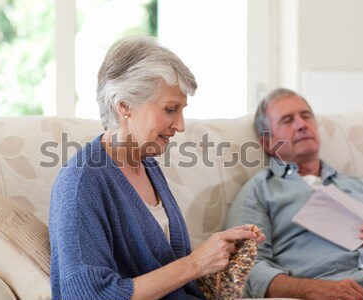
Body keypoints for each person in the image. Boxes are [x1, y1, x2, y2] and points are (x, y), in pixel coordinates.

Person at [49, 36, 265, 300]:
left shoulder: (147, 163)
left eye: (181, 109)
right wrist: (195, 264)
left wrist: (218, 254)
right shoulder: (81, 183)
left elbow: (166, 270)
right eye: (170, 109)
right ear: (124, 106)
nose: (181, 125)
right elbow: (88, 295)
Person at [226, 88, 363, 300]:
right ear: (267, 143)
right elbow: (245, 268)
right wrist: (312, 289)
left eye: (306, 115)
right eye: (287, 120)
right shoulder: (259, 191)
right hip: (342, 288)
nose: (302, 125)